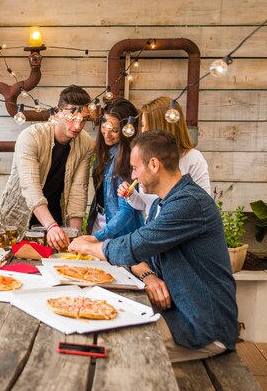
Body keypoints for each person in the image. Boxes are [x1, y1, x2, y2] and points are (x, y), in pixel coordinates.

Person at [70, 130, 238, 362]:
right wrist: (148, 273)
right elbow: (143, 254)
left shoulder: (189, 204)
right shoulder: (165, 202)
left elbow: (135, 246)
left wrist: (91, 247)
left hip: (201, 326)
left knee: (114, 351)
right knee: (98, 329)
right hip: (177, 313)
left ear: (154, 164)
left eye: (135, 168)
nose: (132, 174)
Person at [0, 84, 94, 250]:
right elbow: (30, 187)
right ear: (57, 112)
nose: (77, 126)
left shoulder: (85, 143)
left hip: (56, 216)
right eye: (72, 118)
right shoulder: (31, 136)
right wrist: (50, 226)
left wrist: (76, 235)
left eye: (83, 120)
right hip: (20, 215)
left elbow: (78, 191)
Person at [119, 96, 211, 214]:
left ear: (161, 128)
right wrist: (131, 195)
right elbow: (146, 205)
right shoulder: (148, 160)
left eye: (147, 126)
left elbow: (204, 205)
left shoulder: (193, 159)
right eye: (142, 125)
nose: (142, 131)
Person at [86, 98, 144, 240]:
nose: (107, 134)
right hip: (99, 221)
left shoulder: (129, 156)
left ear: (127, 129)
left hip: (121, 231)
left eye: (115, 130)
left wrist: (98, 237)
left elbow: (126, 210)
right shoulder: (104, 152)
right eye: (104, 127)